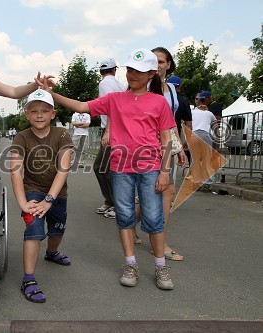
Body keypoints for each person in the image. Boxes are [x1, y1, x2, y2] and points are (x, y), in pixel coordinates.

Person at [36, 48, 178, 290]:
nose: (133, 75)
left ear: (152, 73)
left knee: (154, 217)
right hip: (120, 168)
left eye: (140, 71)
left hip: (151, 167)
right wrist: (52, 94)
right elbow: (81, 106)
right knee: (124, 216)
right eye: (130, 69)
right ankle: (130, 263)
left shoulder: (159, 102)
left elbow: (166, 139)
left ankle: (160, 265)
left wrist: (164, 171)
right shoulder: (115, 100)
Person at [9, 89, 73, 303]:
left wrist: (50, 200)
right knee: (34, 230)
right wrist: (23, 203)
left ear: (53, 114)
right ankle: (28, 279)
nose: (39, 115)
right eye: (34, 111)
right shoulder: (22, 136)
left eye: (44, 111)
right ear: (26, 113)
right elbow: (15, 171)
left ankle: (52, 252)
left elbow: (63, 169)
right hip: (32, 191)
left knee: (57, 230)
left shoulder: (62, 134)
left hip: (56, 193)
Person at [151, 47, 188, 262]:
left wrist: (179, 147)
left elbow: (171, 122)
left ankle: (162, 243)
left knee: (167, 191)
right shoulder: (142, 86)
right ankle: (129, 222)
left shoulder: (172, 91)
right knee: (152, 191)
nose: (157, 66)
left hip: (166, 145)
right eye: (153, 61)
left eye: (161, 62)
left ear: (168, 65)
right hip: (145, 145)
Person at [94, 58, 126, 219]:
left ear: (101, 72)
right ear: (114, 69)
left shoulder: (104, 84)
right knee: (104, 168)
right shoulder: (121, 85)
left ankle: (116, 203)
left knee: (104, 168)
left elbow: (111, 107)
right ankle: (110, 201)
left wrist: (108, 131)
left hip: (112, 131)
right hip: (119, 130)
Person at [187, 104, 216, 186]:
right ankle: (207, 180)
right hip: (205, 135)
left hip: (194, 134)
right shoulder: (210, 114)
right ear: (206, 108)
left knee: (194, 158)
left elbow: (189, 124)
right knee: (206, 157)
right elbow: (215, 127)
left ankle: (195, 179)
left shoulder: (193, 112)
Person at [166, 76, 192, 166]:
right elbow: (188, 124)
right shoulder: (184, 102)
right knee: (170, 169)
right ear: (180, 86)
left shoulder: (160, 97)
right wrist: (186, 141)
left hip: (159, 136)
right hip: (176, 135)